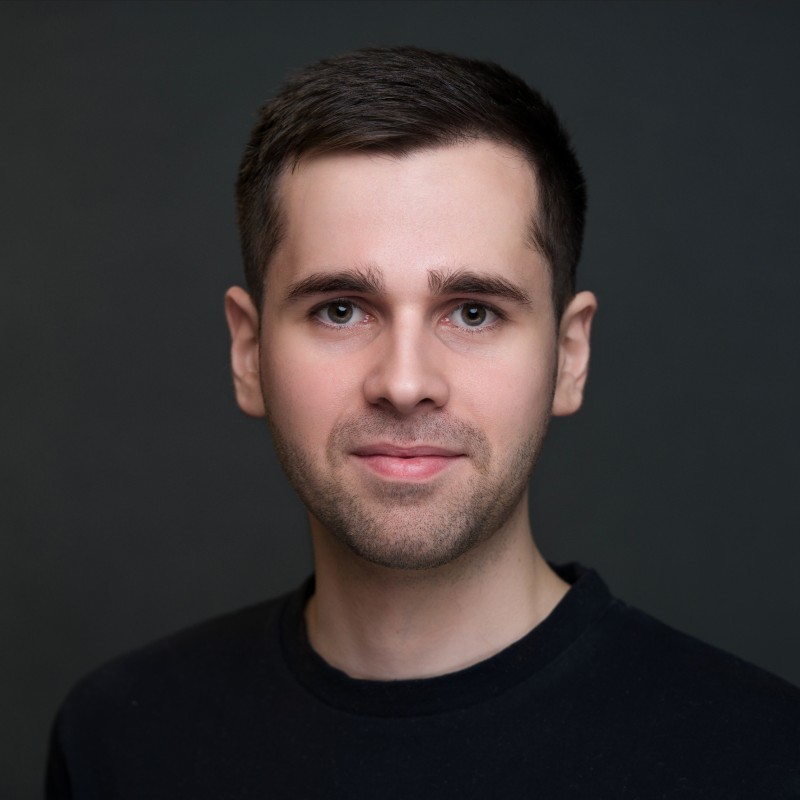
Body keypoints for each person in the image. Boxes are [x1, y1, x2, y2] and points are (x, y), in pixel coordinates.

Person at [47, 46, 799, 798]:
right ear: (248, 352)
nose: (405, 383)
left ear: (569, 357)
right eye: (339, 310)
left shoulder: (764, 758)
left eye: (473, 313)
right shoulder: (119, 742)